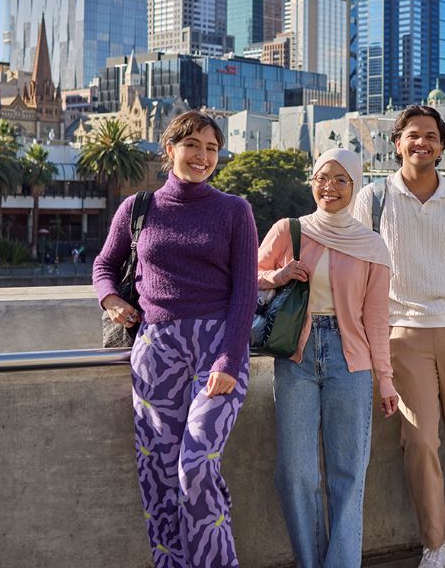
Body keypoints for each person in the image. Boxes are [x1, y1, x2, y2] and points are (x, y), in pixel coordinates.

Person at [92, 110, 258, 568]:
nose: (203, 156)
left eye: (212, 148)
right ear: (169, 149)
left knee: (197, 464)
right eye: (192, 145)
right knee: (160, 475)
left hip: (217, 348)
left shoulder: (235, 211)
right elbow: (104, 265)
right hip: (156, 350)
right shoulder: (138, 208)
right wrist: (111, 300)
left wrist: (228, 361)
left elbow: (245, 292)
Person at [352, 105, 445, 568]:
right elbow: (357, 271)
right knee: (419, 444)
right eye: (413, 135)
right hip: (404, 336)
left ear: (441, 146)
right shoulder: (373, 198)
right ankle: (434, 543)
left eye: (431, 136)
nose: (422, 142)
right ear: (397, 143)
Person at [258, 148, 398, 568]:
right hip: (295, 358)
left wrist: (386, 379)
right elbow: (247, 277)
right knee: (295, 474)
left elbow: (377, 318)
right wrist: (277, 275)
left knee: (348, 474)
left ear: (355, 185)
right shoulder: (290, 230)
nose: (329, 187)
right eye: (321, 178)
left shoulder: (371, 245)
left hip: (350, 360)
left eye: (340, 180)